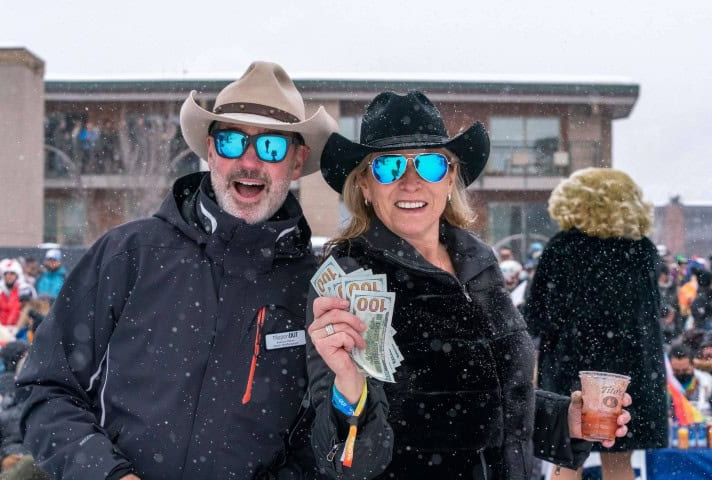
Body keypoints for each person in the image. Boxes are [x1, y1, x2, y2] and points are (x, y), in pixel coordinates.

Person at [17, 61, 338, 480]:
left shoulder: (316, 288)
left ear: (297, 163)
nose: (248, 161)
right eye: (231, 141)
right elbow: (46, 389)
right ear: (210, 151)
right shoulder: (128, 254)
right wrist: (105, 474)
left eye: (272, 147)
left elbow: (325, 438)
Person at [305, 90, 612, 479]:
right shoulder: (348, 279)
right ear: (365, 185)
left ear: (450, 178)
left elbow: (491, 400)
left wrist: (562, 418)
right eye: (388, 168)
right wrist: (349, 388)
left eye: (431, 166)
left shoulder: (479, 264)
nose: (411, 182)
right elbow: (341, 457)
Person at [526, 168, 667, 480]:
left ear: (576, 201)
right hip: (630, 374)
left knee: (566, 461)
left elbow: (537, 316)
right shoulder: (641, 249)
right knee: (619, 463)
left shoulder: (562, 247)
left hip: (573, 370)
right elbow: (654, 313)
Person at [0, 260, 35, 342]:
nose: (9, 276)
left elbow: (29, 313)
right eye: (6, 273)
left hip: (21, 332)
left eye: (12, 273)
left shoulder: (25, 290)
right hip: (0, 333)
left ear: (17, 275)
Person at [669, 342, 712, 417]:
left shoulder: (707, 382)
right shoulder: (663, 386)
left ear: (693, 365)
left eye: (685, 370)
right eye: (676, 371)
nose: (681, 374)